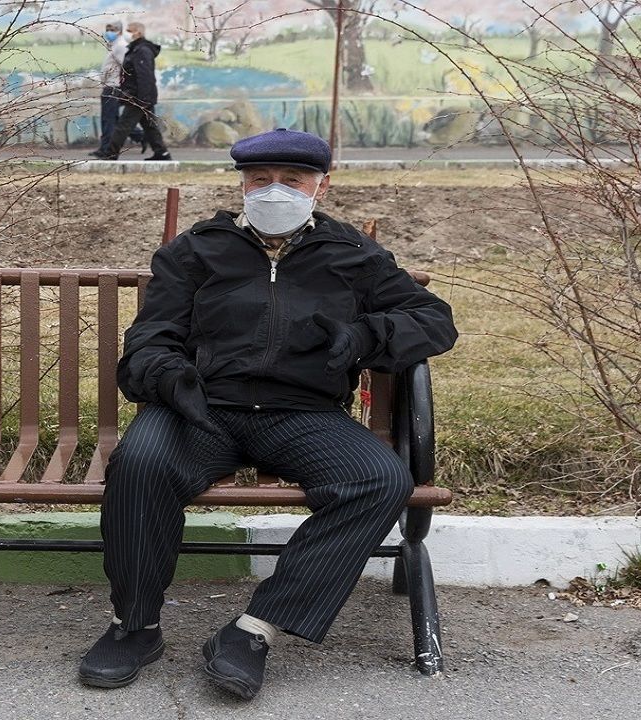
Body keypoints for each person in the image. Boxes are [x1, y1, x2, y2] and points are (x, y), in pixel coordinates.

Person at [77, 128, 458, 699]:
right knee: (141, 464)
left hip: (301, 412)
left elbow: (433, 320)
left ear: (320, 187)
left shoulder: (354, 256)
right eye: (261, 180)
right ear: (243, 184)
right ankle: (134, 625)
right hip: (203, 409)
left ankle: (252, 631)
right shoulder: (197, 249)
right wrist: (167, 375)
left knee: (379, 479)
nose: (274, 191)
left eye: (292, 180)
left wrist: (362, 336)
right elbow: (151, 337)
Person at [92, 22, 172, 161]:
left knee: (123, 125)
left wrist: (142, 99)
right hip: (139, 95)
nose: (127, 33)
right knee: (150, 126)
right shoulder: (135, 49)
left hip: (138, 96)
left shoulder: (142, 51)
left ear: (138, 33)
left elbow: (145, 76)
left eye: (130, 31)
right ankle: (162, 153)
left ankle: (110, 153)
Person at [90, 21, 142, 157]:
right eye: (107, 29)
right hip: (110, 86)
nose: (109, 32)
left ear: (119, 31)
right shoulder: (114, 46)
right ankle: (141, 136)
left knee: (108, 120)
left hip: (113, 87)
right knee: (114, 119)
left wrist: (126, 85)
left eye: (112, 29)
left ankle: (106, 149)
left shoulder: (120, 46)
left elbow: (127, 66)